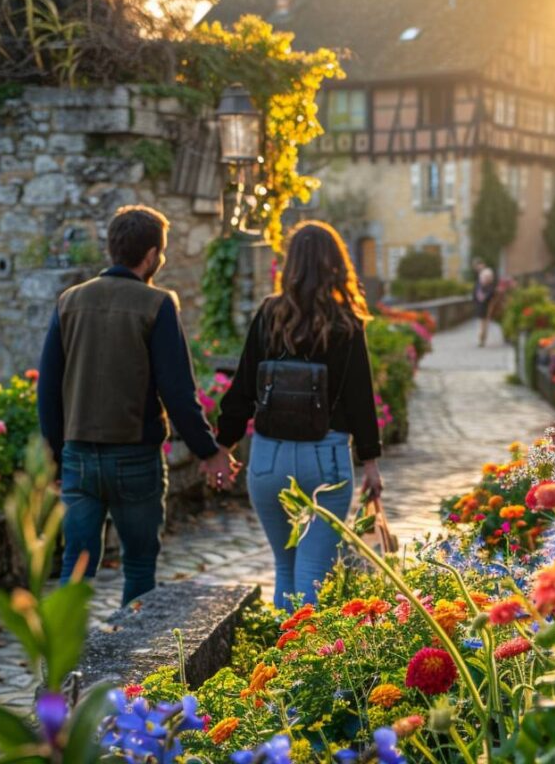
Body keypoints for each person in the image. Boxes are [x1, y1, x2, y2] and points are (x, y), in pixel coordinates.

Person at [37, 205, 238, 606]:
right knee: (140, 566)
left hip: (78, 456)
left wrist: (57, 460)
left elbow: (48, 390)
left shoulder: (69, 302)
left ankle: (65, 663)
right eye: (160, 253)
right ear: (151, 255)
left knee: (75, 569)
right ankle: (130, 664)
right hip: (135, 456)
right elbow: (178, 392)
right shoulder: (157, 304)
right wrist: (210, 452)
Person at [215, 221, 383, 610]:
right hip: (324, 457)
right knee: (313, 569)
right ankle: (300, 665)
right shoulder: (346, 323)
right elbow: (360, 398)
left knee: (286, 566)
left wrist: (222, 446)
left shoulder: (269, 316)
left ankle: (278, 657)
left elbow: (242, 388)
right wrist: (370, 462)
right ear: (336, 265)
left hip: (268, 458)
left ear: (290, 265)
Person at [473, 258, 498, 347]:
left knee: (484, 324)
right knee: (482, 324)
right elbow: (475, 294)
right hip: (481, 306)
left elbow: (492, 294)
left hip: (486, 306)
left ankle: (482, 339)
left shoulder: (489, 286)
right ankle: (481, 339)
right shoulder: (479, 284)